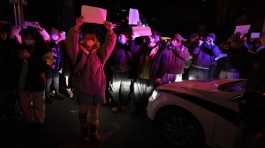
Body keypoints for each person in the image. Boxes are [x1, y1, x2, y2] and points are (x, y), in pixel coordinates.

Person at [66, 16, 116, 142]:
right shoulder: (77, 52)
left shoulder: (100, 53)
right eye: (87, 38)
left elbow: (110, 44)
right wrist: (77, 27)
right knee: (83, 111)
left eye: (92, 39)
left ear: (96, 41)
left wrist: (110, 31)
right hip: (83, 87)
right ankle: (83, 131)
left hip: (97, 87)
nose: (89, 41)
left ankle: (93, 132)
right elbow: (71, 41)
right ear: (83, 40)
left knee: (95, 112)